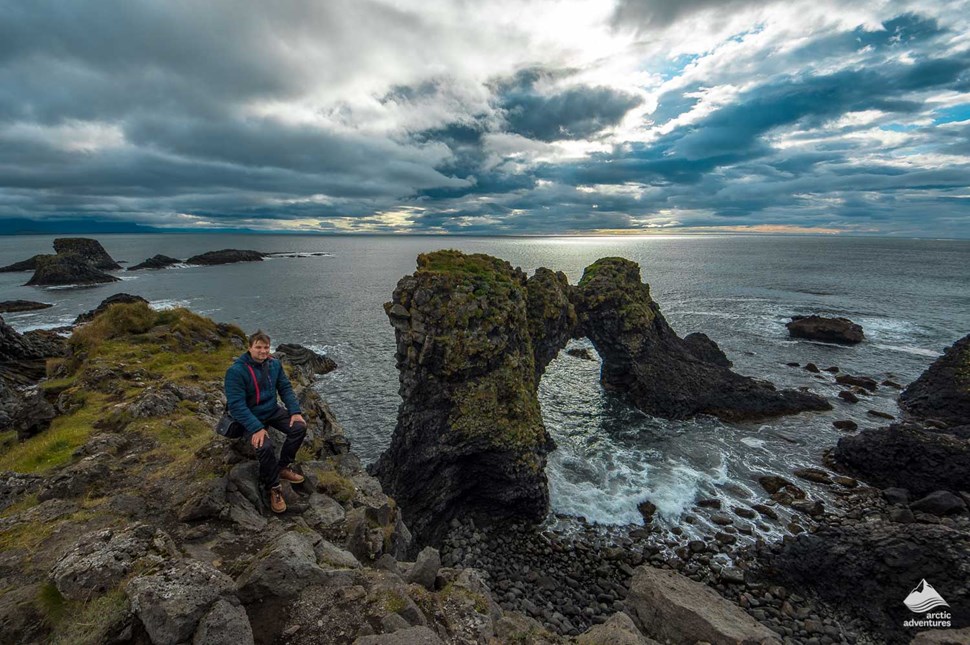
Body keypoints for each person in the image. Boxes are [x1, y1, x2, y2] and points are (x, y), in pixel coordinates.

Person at [224, 330, 307, 513]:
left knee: (299, 427)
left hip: (271, 410)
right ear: (249, 348)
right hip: (249, 416)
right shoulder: (236, 371)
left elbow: (284, 388)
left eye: (266, 347)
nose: (263, 351)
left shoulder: (274, 364)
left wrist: (294, 411)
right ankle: (274, 488)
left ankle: (282, 467)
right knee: (265, 447)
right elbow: (236, 405)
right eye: (258, 347)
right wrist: (256, 428)